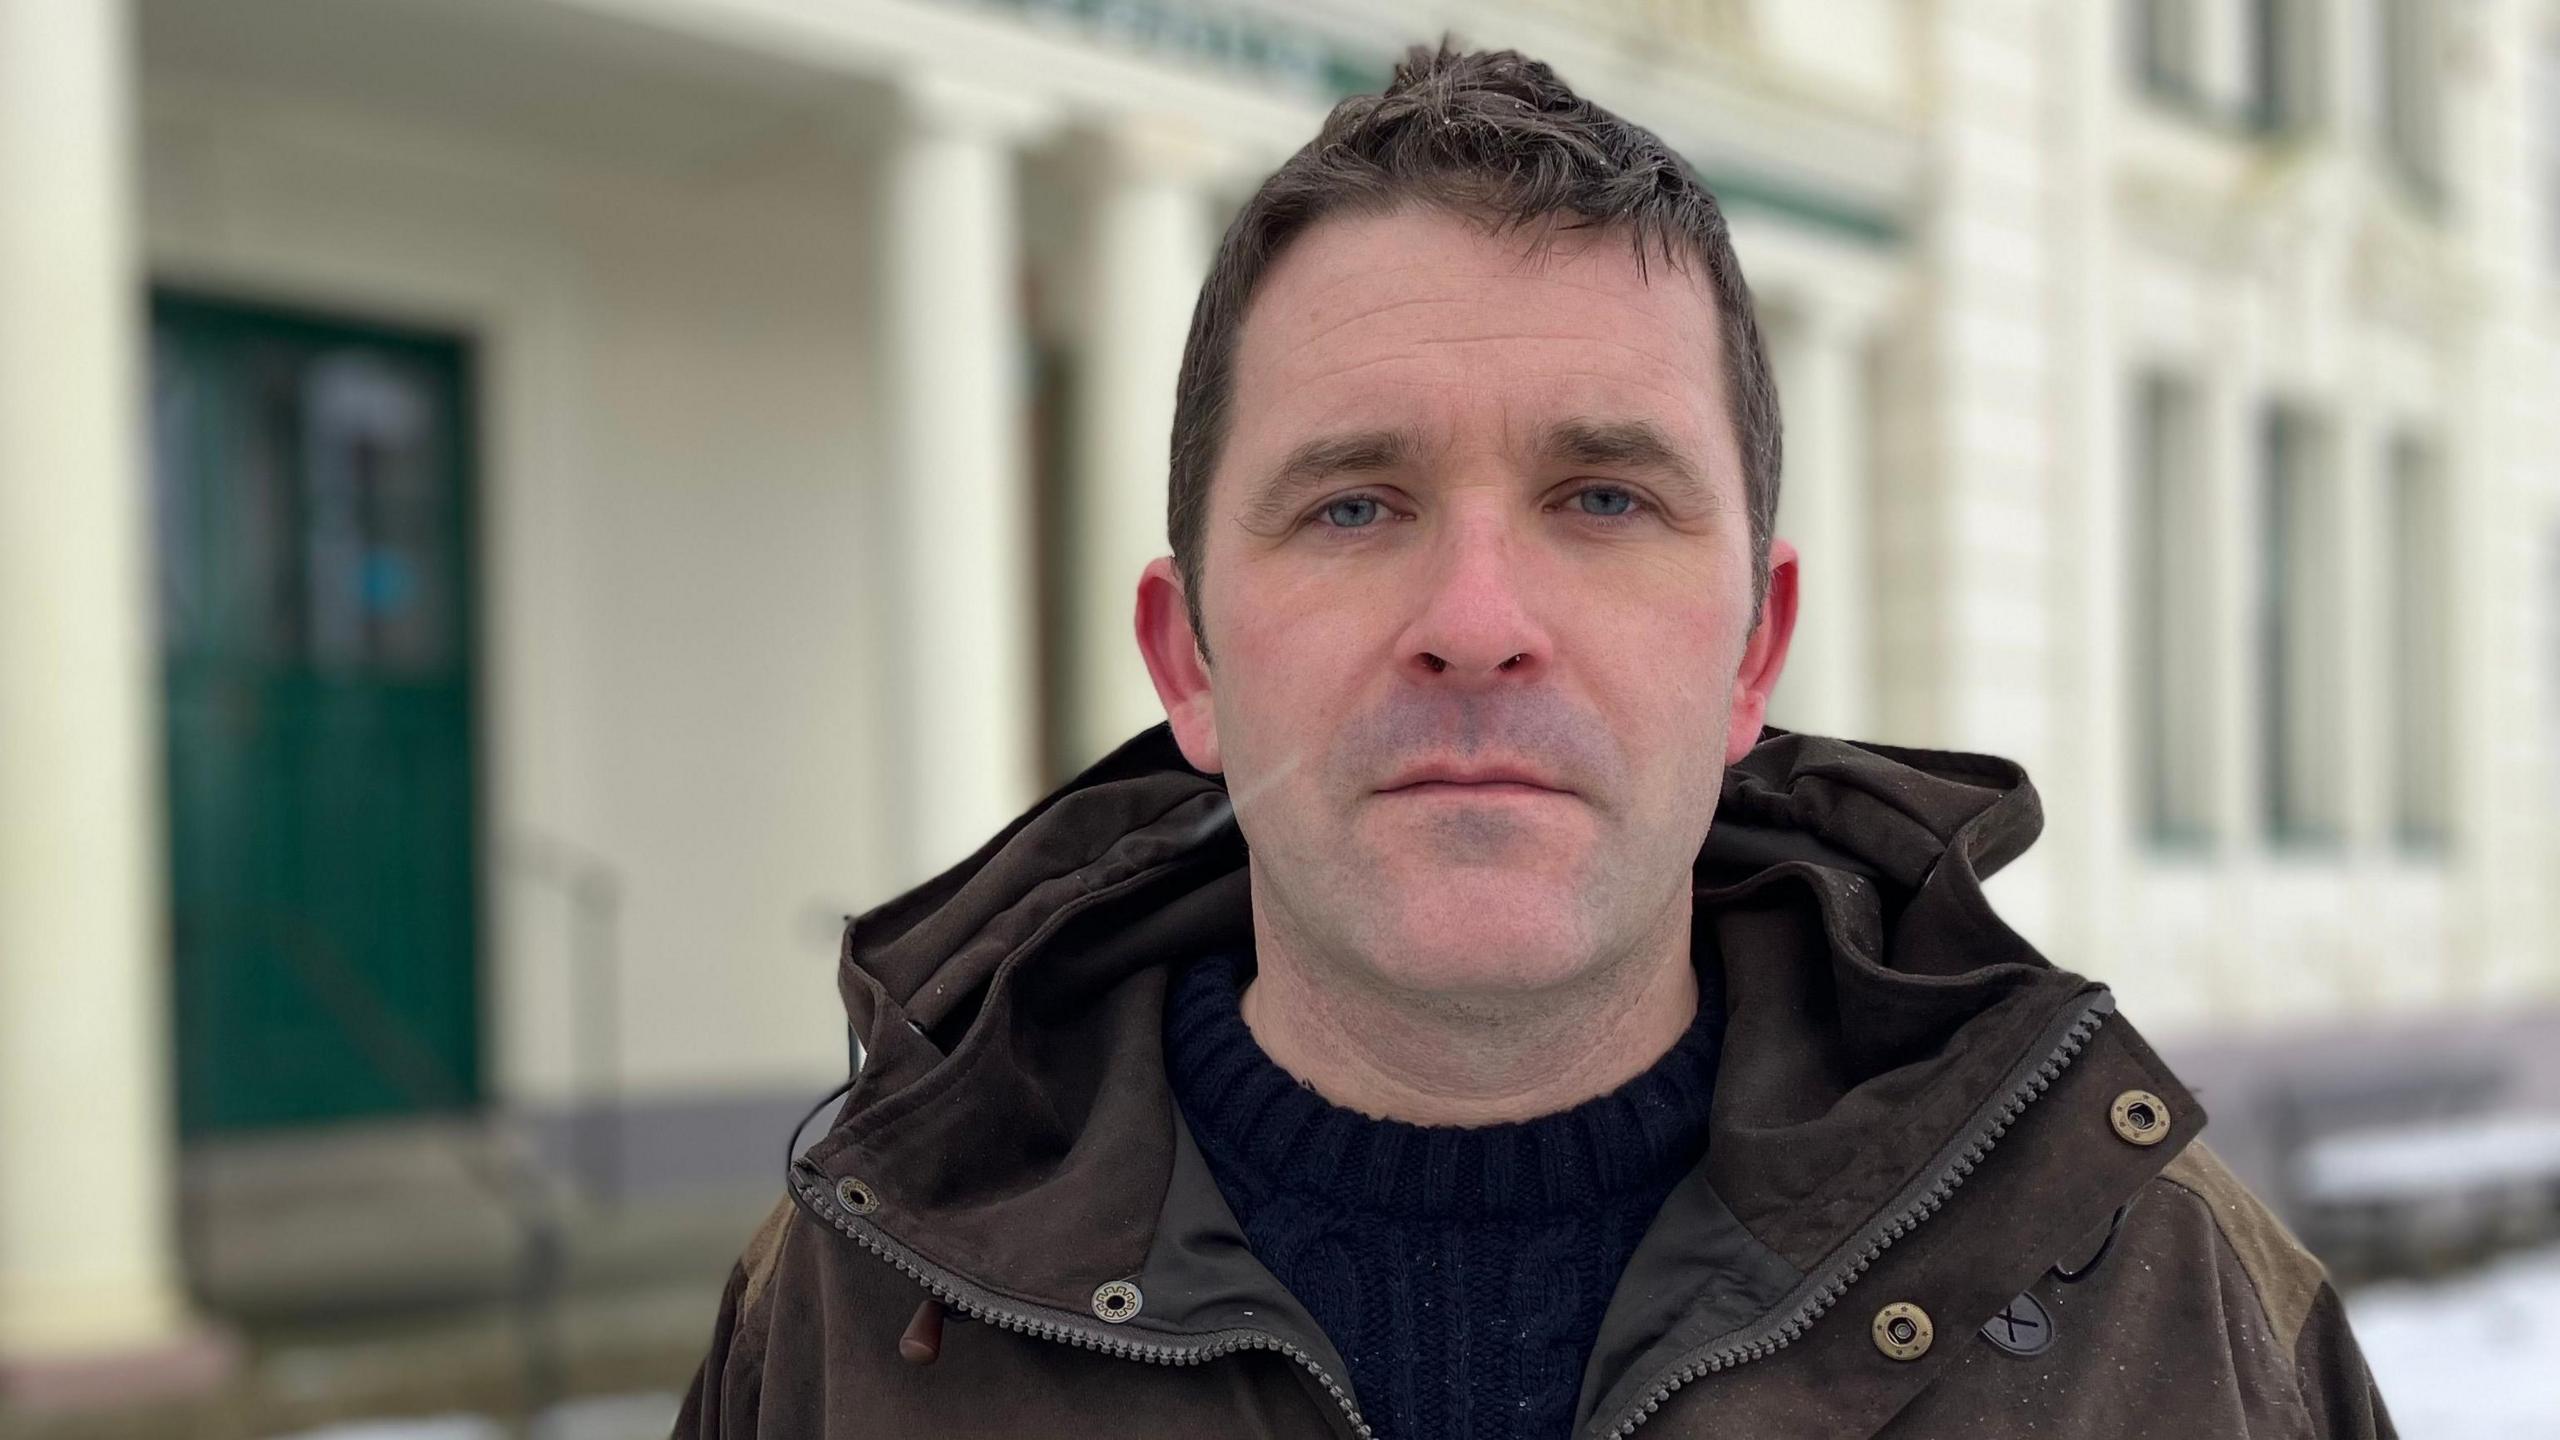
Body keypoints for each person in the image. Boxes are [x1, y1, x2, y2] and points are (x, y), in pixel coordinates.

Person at [675, 40, 2392, 1440]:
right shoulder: (850, 1317)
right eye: (1354, 504)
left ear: (1752, 656)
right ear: (1187, 661)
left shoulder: (2148, 1289)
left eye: (1602, 496)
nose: (1478, 614)